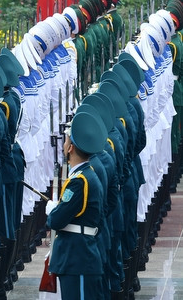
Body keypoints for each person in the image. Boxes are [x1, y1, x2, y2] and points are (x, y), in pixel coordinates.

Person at [46, 110, 107, 299]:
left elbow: (56, 221)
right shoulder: (85, 175)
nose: (64, 145)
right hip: (79, 256)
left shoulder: (80, 181)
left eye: (66, 141)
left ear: (71, 148)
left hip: (78, 258)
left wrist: (54, 211)